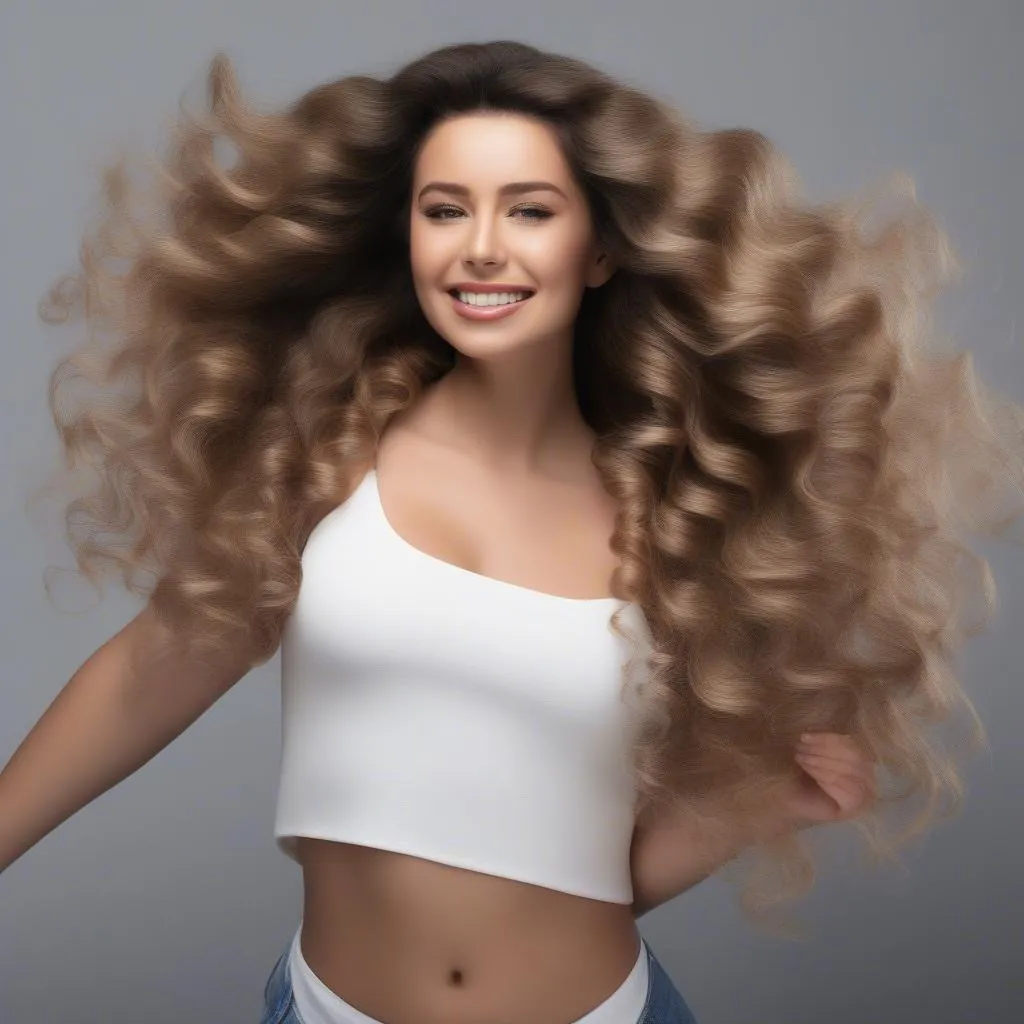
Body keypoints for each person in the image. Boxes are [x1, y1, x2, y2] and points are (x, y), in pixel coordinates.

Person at [3, 39, 1022, 1024]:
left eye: (529, 210)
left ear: (603, 248)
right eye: (444, 210)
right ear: (406, 237)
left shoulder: (680, 521)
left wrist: (755, 801)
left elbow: (590, 882)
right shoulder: (324, 458)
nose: (481, 246)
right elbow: (146, 674)